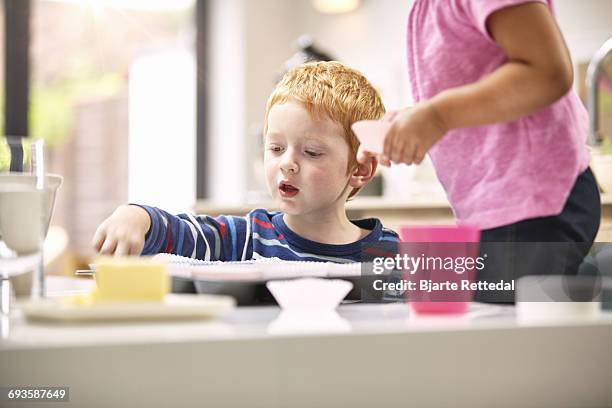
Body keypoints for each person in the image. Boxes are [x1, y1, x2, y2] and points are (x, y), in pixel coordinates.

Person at [357, 0, 601, 302]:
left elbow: (546, 72)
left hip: (531, 202)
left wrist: (437, 116)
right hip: (505, 208)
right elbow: (479, 89)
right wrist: (414, 119)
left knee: (508, 336)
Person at [93, 61, 398, 262]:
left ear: (360, 168)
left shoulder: (389, 253)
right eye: (276, 148)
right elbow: (181, 233)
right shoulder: (246, 239)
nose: (287, 163)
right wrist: (136, 216)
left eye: (312, 152)